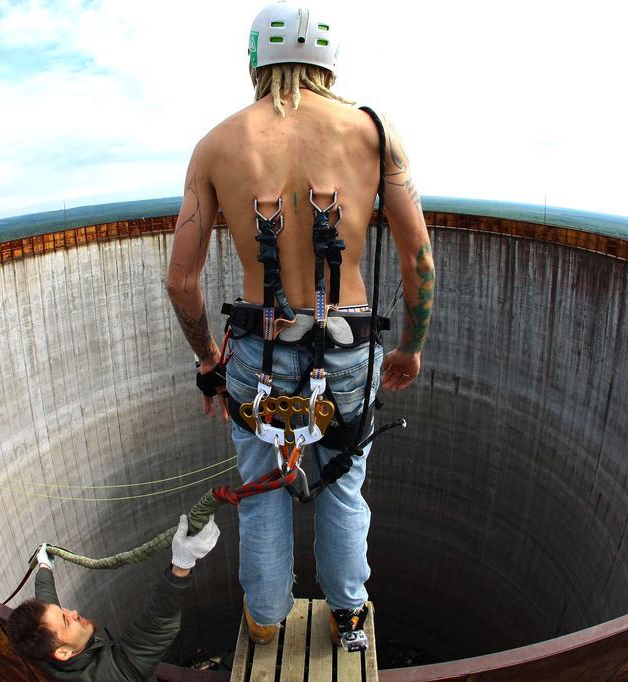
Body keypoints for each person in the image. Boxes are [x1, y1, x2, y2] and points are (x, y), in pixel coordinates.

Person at [165, 1, 434, 647]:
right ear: (329, 63)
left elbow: (181, 280)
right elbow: (419, 256)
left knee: (262, 494)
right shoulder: (374, 134)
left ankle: (264, 618)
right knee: (344, 489)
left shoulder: (216, 144)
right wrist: (411, 347)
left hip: (256, 359)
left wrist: (209, 362)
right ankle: (348, 615)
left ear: (255, 60)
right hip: (348, 353)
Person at [5, 515, 220, 681]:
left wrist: (44, 566)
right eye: (66, 620)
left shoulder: (47, 652)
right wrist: (182, 566)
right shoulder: (111, 676)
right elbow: (154, 629)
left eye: (63, 612)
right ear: (62, 652)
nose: (74, 613)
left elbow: (47, 600)